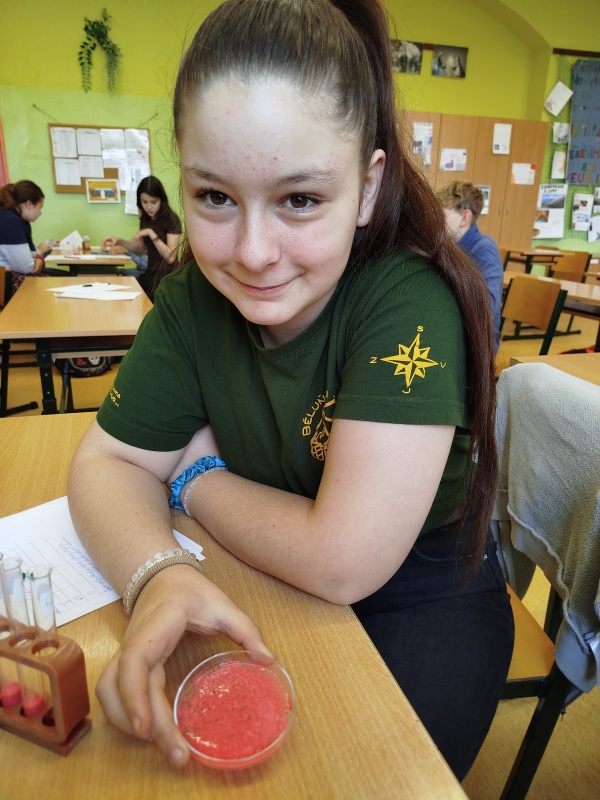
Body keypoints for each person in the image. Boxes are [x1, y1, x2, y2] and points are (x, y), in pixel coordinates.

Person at [68, 0, 513, 780]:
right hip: (261, 567)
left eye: (300, 200)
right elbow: (105, 463)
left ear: (368, 188)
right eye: (214, 197)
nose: (252, 253)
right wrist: (159, 574)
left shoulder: (406, 300)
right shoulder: (191, 300)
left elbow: (343, 560)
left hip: (420, 588)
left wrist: (193, 474)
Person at [437, 181, 504, 351]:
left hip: (476, 345)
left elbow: (486, 309)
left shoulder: (484, 250)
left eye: (442, 215)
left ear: (464, 217)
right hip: (453, 331)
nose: (436, 221)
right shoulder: (449, 247)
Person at [102, 175, 181, 299]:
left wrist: (151, 233)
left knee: (126, 287)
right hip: (151, 274)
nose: (149, 207)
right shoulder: (145, 218)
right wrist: (119, 241)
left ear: (161, 200)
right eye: (145, 202)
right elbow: (141, 250)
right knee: (117, 283)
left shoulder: (171, 219)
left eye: (153, 202)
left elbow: (171, 258)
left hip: (168, 277)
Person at [0, 180, 53, 293]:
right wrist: (40, 257)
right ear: (29, 204)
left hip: (7, 279)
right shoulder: (11, 222)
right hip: (6, 283)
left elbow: (26, 254)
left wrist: (38, 257)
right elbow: (27, 267)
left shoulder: (10, 216)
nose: (40, 213)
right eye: (40, 207)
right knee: (59, 282)